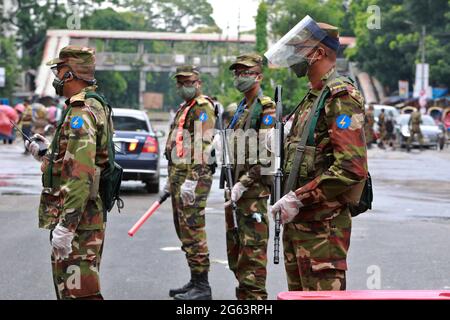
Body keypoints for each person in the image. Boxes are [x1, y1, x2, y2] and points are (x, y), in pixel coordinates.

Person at [265, 16, 368, 291]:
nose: (295, 56)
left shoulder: (340, 96)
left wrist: (298, 198)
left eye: (301, 49)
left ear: (319, 53)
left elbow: (351, 167)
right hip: (300, 224)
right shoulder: (312, 97)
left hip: (323, 230)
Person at [26, 45, 110, 299]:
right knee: (73, 289)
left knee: (78, 293)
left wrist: (67, 225)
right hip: (84, 218)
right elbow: (74, 158)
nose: (55, 77)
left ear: (70, 75)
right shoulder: (92, 105)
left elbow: (80, 173)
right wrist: (45, 154)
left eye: (59, 70)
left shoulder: (80, 112)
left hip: (80, 222)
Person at [224, 53, 275, 300]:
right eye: (237, 72)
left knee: (253, 265)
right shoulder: (242, 108)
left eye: (245, 72)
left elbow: (267, 156)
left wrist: (243, 184)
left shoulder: (265, 108)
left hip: (253, 195)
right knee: (238, 259)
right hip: (238, 194)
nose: (240, 77)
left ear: (258, 76)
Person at [164, 65, 216, 300]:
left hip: (193, 178)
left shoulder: (203, 107)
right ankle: (195, 280)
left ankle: (202, 287)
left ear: (198, 83)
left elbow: (203, 145)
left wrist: (192, 180)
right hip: (180, 175)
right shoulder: (186, 107)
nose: (184, 86)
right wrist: (171, 181)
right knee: (184, 230)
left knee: (193, 231)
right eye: (180, 82)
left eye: (188, 81)